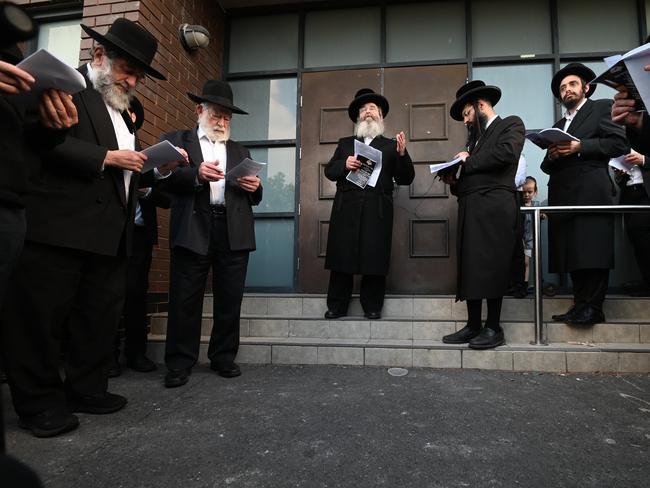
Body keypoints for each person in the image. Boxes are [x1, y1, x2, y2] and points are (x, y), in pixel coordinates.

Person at [1, 18, 170, 438]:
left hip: (111, 232)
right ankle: (38, 403)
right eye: (126, 69)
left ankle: (87, 388)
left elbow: (126, 170)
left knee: (96, 319)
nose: (132, 79)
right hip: (59, 226)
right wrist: (106, 158)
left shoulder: (127, 111)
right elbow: (36, 138)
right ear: (99, 57)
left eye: (138, 75)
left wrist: (152, 169)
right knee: (41, 321)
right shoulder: (66, 86)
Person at [159, 80, 262, 389]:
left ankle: (224, 357)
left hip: (233, 230)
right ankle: (179, 362)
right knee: (184, 299)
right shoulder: (176, 141)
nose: (222, 121)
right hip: (193, 227)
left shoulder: (240, 149)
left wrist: (255, 188)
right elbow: (162, 182)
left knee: (230, 298)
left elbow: (253, 195)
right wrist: (196, 174)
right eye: (217, 114)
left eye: (227, 117)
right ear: (199, 110)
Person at [440, 80, 525, 349]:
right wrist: (454, 180)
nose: (465, 121)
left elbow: (506, 154)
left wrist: (469, 160)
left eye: (466, 114)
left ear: (480, 105)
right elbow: (473, 176)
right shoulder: (473, 141)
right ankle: (473, 324)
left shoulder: (511, 124)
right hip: (471, 207)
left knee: (492, 264)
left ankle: (493, 327)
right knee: (471, 266)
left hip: (496, 207)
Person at [541, 63, 628, 326]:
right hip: (563, 194)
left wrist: (580, 146)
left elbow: (619, 143)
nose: (566, 90)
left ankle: (593, 308)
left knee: (592, 249)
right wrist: (552, 154)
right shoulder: (558, 124)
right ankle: (579, 305)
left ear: (586, 87)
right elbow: (546, 165)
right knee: (573, 252)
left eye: (572, 84)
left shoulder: (600, 107)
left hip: (591, 190)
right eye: (562, 88)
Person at [323, 88, 414, 320]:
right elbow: (330, 172)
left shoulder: (392, 145)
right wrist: (345, 163)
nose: (368, 113)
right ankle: (337, 305)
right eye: (363, 110)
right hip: (347, 206)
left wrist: (403, 155)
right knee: (342, 255)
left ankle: (372, 306)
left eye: (372, 109)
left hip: (378, 208)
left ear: (381, 116)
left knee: (374, 255)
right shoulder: (345, 144)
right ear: (357, 118)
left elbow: (406, 178)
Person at [109, 97, 171, 376]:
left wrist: (147, 190)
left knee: (136, 296)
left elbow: (166, 200)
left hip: (140, 236)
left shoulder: (145, 154)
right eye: (125, 112)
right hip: (109, 234)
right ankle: (106, 358)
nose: (129, 117)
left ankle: (137, 354)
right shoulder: (109, 149)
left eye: (132, 113)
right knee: (108, 295)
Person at [521, 176, 541, 289]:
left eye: (530, 192)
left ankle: (525, 282)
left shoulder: (536, 205)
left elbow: (543, 215)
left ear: (535, 192)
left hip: (530, 239)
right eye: (524, 192)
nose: (527, 195)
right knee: (523, 262)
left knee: (526, 262)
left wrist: (542, 215)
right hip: (520, 238)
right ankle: (521, 283)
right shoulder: (519, 205)